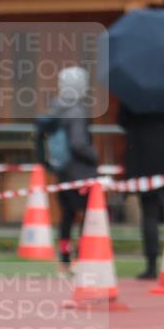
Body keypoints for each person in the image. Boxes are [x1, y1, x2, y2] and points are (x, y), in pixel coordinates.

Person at [117, 105, 164, 280]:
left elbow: (122, 120)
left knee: (149, 212)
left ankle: (151, 265)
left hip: (144, 153)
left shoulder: (133, 89)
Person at [36, 65, 99, 268]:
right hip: (80, 171)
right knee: (86, 216)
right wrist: (94, 155)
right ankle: (83, 254)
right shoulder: (76, 110)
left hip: (62, 170)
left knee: (66, 216)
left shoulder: (57, 108)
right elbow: (78, 143)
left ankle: (64, 256)